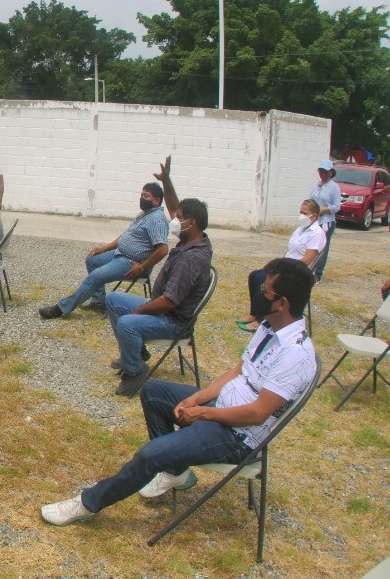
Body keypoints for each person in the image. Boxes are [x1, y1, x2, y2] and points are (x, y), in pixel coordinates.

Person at [41, 257, 317, 526]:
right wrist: (198, 397)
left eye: (264, 291)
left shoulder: (294, 353)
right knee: (152, 390)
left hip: (237, 436)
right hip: (221, 408)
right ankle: (175, 472)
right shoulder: (270, 326)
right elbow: (237, 372)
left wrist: (204, 414)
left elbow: (257, 414)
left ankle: (87, 504)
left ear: (282, 302)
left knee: (150, 455)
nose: (257, 295)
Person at [105, 156, 213, 397]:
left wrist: (139, 312)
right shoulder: (196, 238)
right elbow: (176, 207)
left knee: (127, 322)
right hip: (164, 309)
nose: (174, 221)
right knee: (113, 301)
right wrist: (166, 181)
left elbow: (169, 301)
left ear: (191, 223)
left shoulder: (191, 258)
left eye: (179, 219)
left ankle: (135, 372)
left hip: (173, 321)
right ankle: (134, 353)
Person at [38, 182, 170, 319]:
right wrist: (103, 249)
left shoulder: (157, 219)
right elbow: (125, 236)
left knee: (95, 277)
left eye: (146, 196)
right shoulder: (145, 214)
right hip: (119, 254)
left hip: (132, 263)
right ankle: (98, 303)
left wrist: (142, 267)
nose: (142, 198)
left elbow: (163, 250)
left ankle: (61, 308)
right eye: (141, 195)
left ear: (157, 200)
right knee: (92, 260)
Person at [236, 199, 326, 332]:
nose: (302, 216)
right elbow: (291, 251)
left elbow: (306, 260)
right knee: (255, 275)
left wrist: (283, 268)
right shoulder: (300, 229)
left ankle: (261, 320)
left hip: (297, 272)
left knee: (263, 280)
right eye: (300, 212)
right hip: (287, 266)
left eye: (305, 213)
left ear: (315, 215)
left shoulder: (317, 233)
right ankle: (254, 313)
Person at [310, 159, 341, 282]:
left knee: (322, 247)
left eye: (324, 172)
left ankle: (318, 272)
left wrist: (324, 210)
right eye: (320, 172)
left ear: (330, 173)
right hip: (314, 219)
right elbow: (311, 198)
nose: (322, 174)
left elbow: (336, 206)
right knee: (311, 244)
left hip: (326, 221)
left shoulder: (334, 187)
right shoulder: (317, 185)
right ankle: (309, 268)